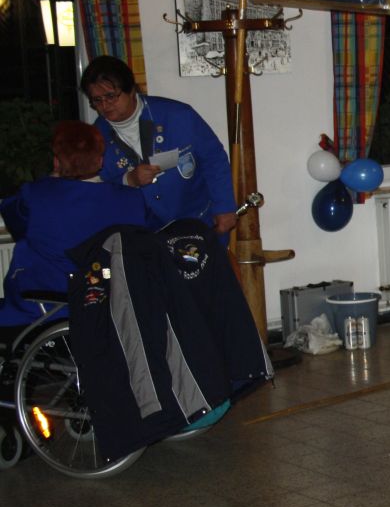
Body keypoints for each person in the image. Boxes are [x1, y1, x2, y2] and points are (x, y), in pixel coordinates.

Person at [0, 121, 147, 330]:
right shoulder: (131, 199)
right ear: (100, 160)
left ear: (57, 162)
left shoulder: (37, 194)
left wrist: (51, 179)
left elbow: (13, 217)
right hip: (107, 300)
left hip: (47, 305)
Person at [80, 56, 236, 235]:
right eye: (97, 100)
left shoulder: (177, 115)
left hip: (199, 220)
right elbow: (96, 193)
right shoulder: (95, 138)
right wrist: (128, 180)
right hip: (144, 233)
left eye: (110, 96)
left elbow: (214, 159)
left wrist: (225, 207)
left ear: (131, 90)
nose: (104, 105)